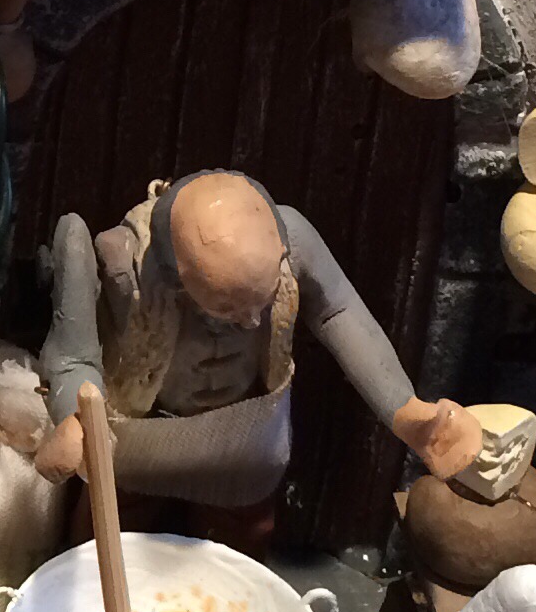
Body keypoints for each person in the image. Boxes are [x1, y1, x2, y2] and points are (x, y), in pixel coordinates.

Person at [34, 170, 480, 517]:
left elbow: (338, 312)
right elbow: (73, 355)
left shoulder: (292, 241)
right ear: (178, 277)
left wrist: (406, 413)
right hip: (140, 434)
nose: (250, 321)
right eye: (226, 306)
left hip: (244, 435)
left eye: (260, 301)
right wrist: (75, 420)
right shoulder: (125, 267)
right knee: (110, 536)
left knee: (244, 540)